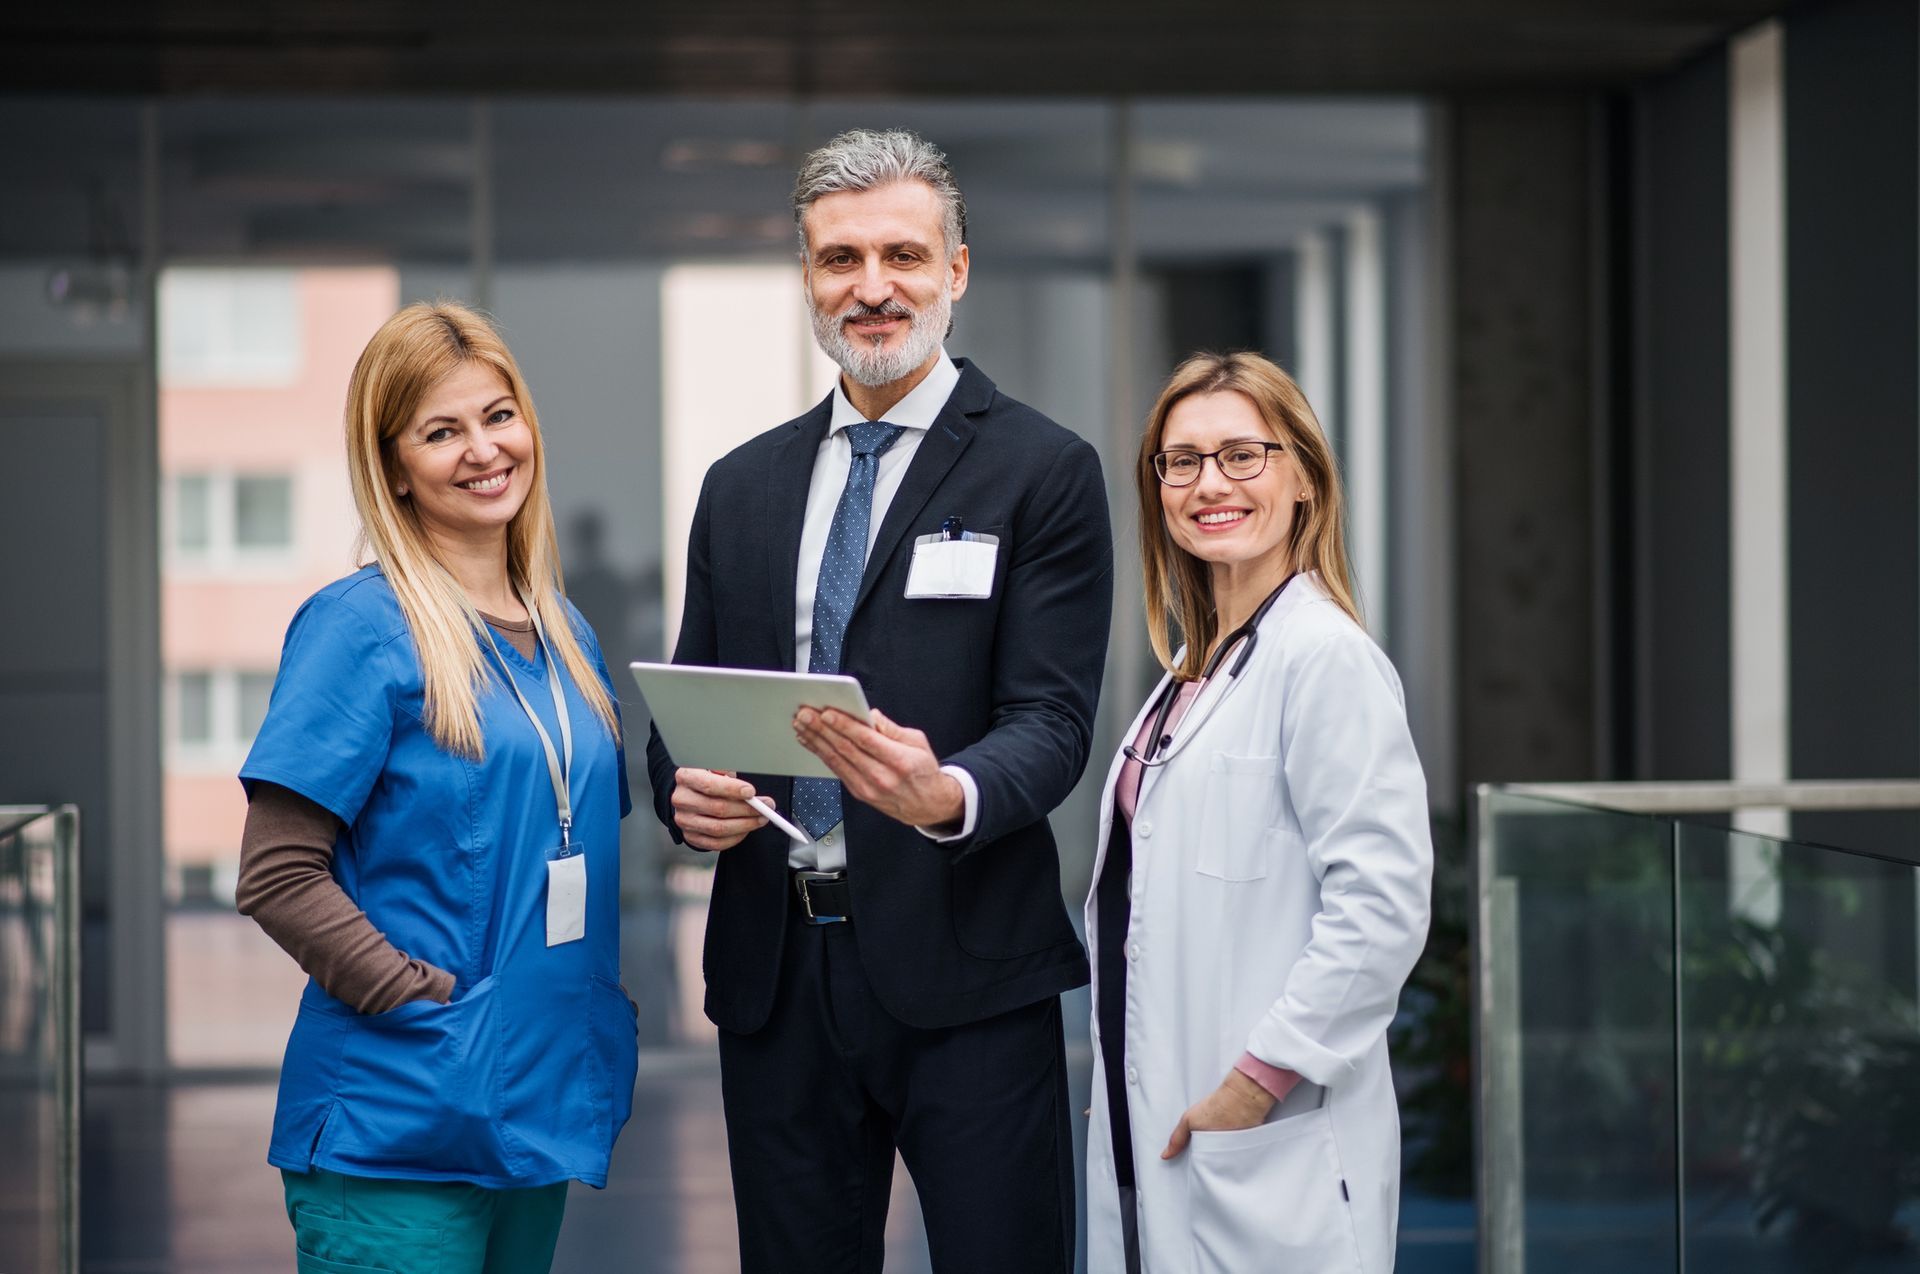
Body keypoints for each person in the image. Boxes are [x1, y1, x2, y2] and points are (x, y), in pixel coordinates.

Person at [645, 128, 1112, 1273]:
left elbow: (1052, 720)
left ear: (956, 268)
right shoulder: (741, 485)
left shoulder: (1042, 472)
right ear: (807, 277)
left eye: (903, 254)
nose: (872, 287)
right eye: (839, 258)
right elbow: (687, 707)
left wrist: (946, 789)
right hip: (777, 974)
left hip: (966, 971)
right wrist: (682, 793)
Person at [235, 301, 637, 1273]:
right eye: (441, 431)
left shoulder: (567, 636)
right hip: (401, 1120)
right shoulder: (359, 627)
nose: (483, 449)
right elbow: (277, 872)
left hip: (528, 1110)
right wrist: (418, 998)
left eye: (498, 415)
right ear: (396, 465)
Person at [1085, 352, 1432, 1273]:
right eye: (1182, 461)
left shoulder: (1325, 659)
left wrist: (1255, 1083)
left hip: (1267, 1138)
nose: (1210, 484)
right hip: (1163, 1130)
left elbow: (1382, 909)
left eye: (1244, 455)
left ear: (1305, 479)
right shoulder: (1191, 677)